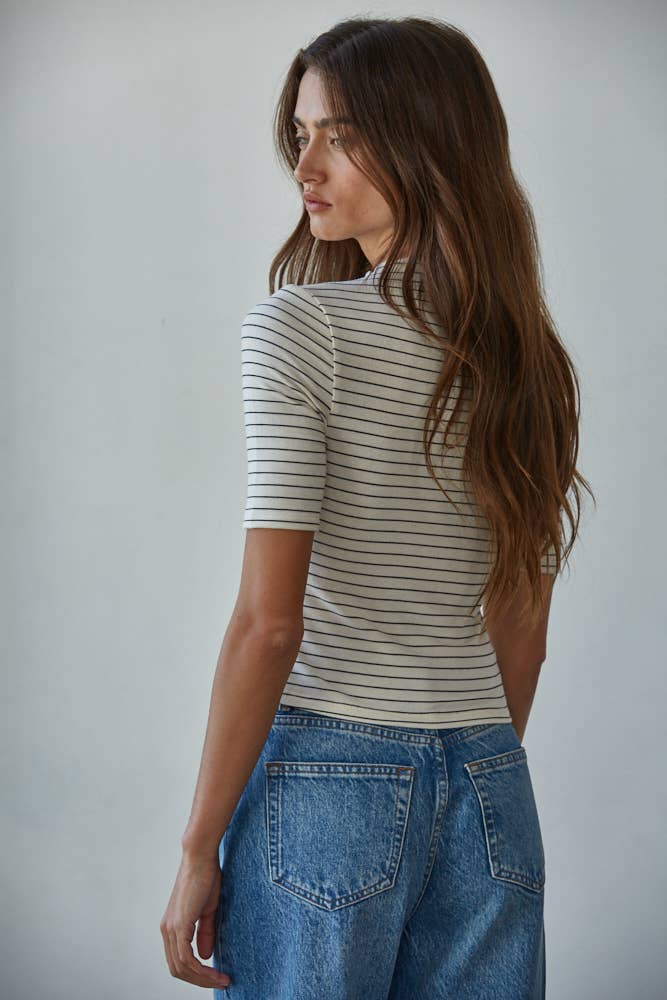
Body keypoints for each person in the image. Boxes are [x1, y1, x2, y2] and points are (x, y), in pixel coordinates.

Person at [160, 15, 594, 999]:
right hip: (491, 780)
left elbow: (269, 625)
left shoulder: (300, 328)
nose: (305, 164)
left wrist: (195, 848)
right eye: (301, 133)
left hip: (329, 772)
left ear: (427, 142)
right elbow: (522, 638)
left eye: (342, 134)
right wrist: (455, 778)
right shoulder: (532, 365)